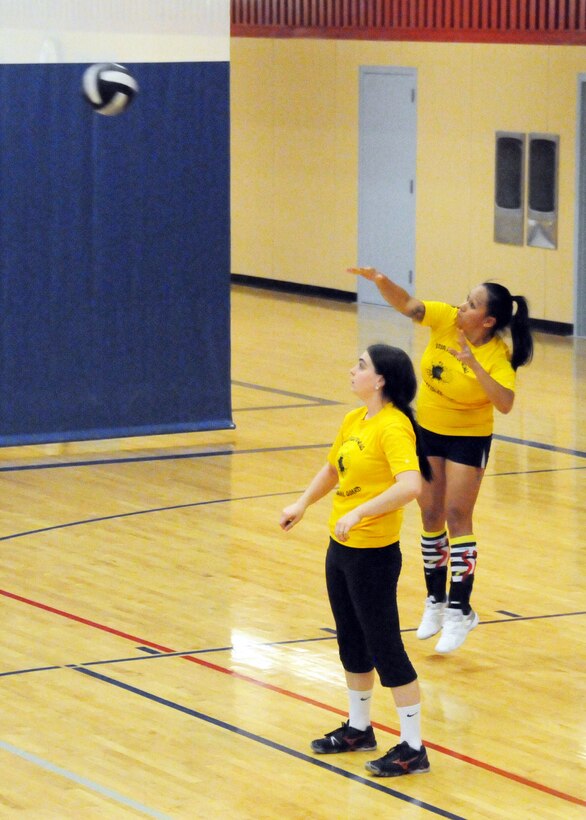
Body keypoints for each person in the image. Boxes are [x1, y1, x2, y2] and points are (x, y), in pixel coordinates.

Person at [348, 267, 534, 653]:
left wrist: (474, 363)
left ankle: (461, 609)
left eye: (471, 305)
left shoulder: (498, 355)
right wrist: (381, 281)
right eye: (465, 301)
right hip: (429, 429)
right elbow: (409, 305)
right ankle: (435, 600)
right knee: (430, 513)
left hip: (468, 438)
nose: (461, 308)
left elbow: (505, 403)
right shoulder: (446, 319)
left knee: (456, 514)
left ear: (488, 321)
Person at [279, 344, 432, 777]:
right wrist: (302, 504)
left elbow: (411, 485)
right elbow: (333, 469)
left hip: (374, 555)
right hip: (340, 548)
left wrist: (361, 511)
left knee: (386, 647)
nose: (352, 370)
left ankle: (413, 747)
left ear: (381, 379)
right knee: (351, 640)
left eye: (361, 365)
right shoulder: (354, 420)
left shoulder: (394, 427)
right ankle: (359, 729)